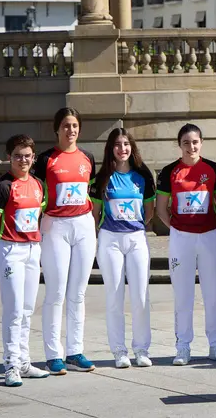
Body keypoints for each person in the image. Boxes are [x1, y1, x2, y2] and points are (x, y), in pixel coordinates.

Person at [156, 124, 216, 366]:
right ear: (179, 145)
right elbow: (161, 208)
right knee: (183, 295)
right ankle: (183, 346)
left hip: (210, 236)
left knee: (213, 294)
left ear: (201, 143)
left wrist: (209, 221)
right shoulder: (169, 172)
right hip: (182, 239)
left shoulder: (213, 169)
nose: (191, 147)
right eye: (186, 143)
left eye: (195, 142)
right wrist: (178, 228)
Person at [32, 107, 98, 375]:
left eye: (74, 126)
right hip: (55, 226)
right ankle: (53, 355)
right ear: (57, 129)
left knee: (78, 293)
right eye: (66, 126)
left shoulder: (88, 157)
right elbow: (35, 192)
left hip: (83, 225)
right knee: (56, 292)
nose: (71, 130)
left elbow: (90, 190)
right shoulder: (45, 159)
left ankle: (75, 351)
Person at [0, 134, 49, 387]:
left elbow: (38, 214)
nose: (23, 160)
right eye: (18, 156)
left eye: (27, 156)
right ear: (9, 157)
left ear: (34, 158)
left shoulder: (38, 184)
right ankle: (11, 365)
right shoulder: (2, 186)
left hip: (33, 249)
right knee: (13, 309)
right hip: (10, 250)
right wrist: (4, 245)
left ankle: (24, 362)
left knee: (27, 309)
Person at [90, 128, 156, 369]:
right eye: (117, 144)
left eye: (126, 144)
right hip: (110, 240)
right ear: (111, 148)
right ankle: (119, 351)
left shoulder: (143, 176)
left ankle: (142, 349)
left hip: (136, 238)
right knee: (114, 296)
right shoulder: (102, 179)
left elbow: (149, 211)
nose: (122, 149)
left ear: (132, 146)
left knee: (140, 296)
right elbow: (95, 213)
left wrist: (133, 225)